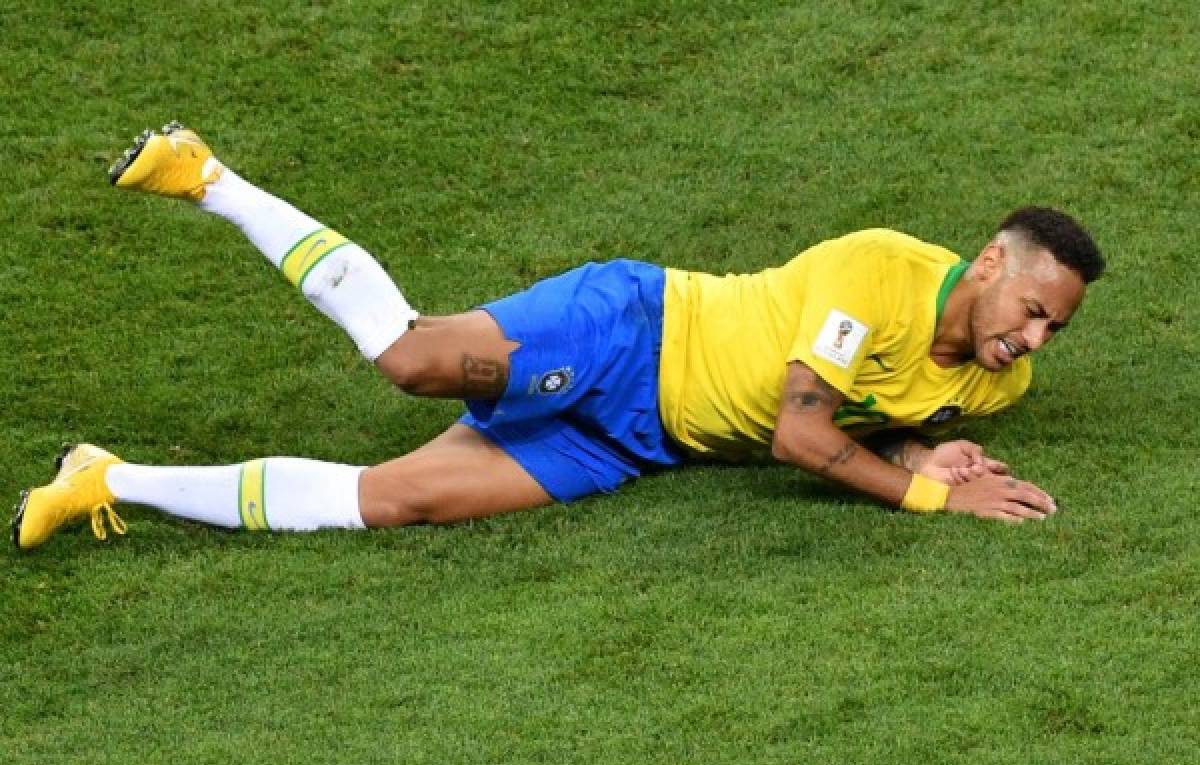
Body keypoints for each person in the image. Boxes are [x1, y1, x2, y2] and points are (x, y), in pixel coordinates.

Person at [12, 122, 1106, 550]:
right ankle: (210, 178)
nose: (1036, 339)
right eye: (1033, 309)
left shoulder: (997, 386)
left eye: (1055, 327)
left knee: (390, 500)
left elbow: (876, 408)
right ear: (993, 262)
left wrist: (924, 445)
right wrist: (927, 490)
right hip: (631, 333)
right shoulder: (878, 270)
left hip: (629, 439)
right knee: (411, 359)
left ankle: (109, 476)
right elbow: (801, 429)